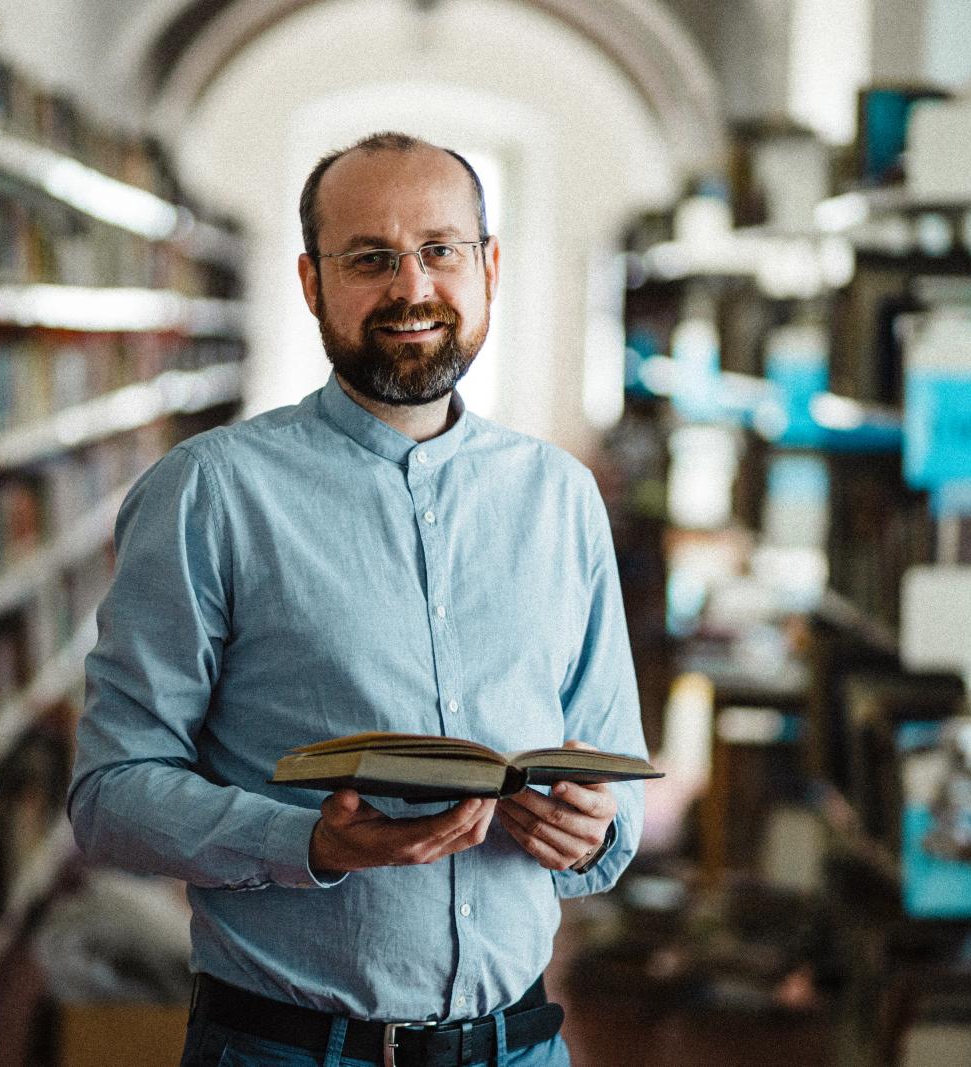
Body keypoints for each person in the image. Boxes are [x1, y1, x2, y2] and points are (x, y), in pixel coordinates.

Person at [68, 131, 646, 1067]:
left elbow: (616, 783)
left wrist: (592, 827)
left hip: (520, 1048)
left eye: (441, 250)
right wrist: (312, 843)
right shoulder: (210, 492)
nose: (412, 288)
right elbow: (110, 796)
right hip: (288, 1050)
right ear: (311, 283)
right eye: (371, 259)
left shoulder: (560, 496)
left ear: (489, 267)